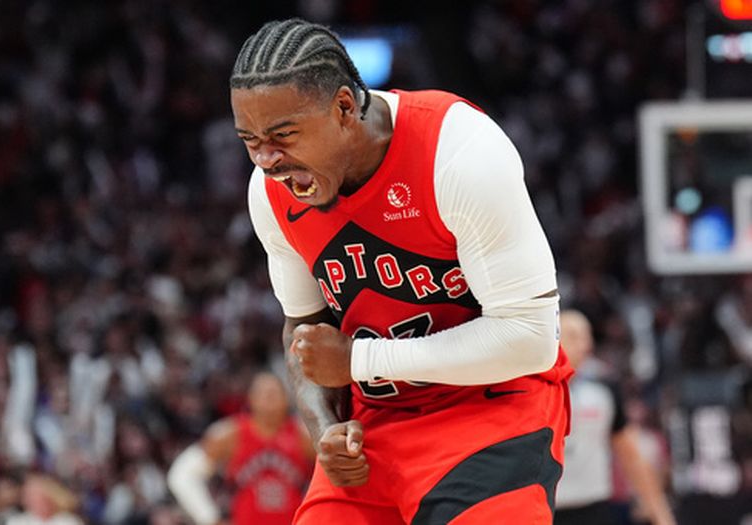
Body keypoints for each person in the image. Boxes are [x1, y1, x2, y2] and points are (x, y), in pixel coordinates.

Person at [233, 18, 572, 524]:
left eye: (283, 135)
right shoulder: (270, 195)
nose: (266, 160)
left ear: (345, 107)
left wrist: (361, 359)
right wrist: (325, 426)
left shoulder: (458, 152)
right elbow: (305, 335)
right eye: (249, 139)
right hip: (378, 424)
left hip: (491, 409)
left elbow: (530, 338)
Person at [555, 309, 676, 525]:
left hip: (592, 507)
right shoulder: (531, 386)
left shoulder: (605, 386)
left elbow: (631, 454)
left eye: (586, 336)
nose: (584, 344)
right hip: (543, 508)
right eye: (573, 336)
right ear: (552, 336)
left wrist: (660, 513)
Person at [167, 371, 315, 525]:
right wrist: (210, 518)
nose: (269, 397)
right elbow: (182, 475)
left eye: (274, 392)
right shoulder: (229, 435)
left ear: (286, 399)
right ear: (250, 399)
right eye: (263, 393)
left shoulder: (304, 436)